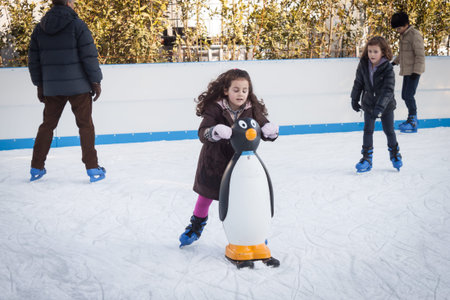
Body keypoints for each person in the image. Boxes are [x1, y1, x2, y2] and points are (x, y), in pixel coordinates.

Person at [179, 69, 279, 247]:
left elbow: (262, 126)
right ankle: (196, 226)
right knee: (205, 197)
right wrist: (215, 130)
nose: (241, 94)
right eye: (236, 89)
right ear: (226, 90)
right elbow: (203, 133)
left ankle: (254, 232)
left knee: (246, 200)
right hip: (214, 162)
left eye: (244, 90)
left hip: (241, 164)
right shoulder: (215, 107)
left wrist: (270, 132)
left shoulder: (251, 108)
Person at [28, 0, 106, 182]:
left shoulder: (40, 28)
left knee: (47, 125)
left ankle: (36, 167)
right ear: (69, 3)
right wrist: (96, 81)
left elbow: (34, 60)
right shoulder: (77, 25)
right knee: (85, 125)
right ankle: (92, 168)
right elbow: (89, 55)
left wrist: (40, 85)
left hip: (52, 87)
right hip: (79, 87)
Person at [351, 36, 403, 173]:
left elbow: (388, 90)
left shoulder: (387, 68)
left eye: (375, 51)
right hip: (368, 103)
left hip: (386, 105)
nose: (372, 54)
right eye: (369, 51)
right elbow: (358, 83)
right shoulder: (363, 64)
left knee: (389, 130)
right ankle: (366, 158)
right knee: (368, 130)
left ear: (383, 52)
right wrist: (354, 99)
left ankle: (395, 154)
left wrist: (380, 108)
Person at [390, 12, 425, 133]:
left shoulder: (414, 35)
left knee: (409, 95)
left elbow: (420, 55)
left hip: (414, 72)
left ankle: (413, 120)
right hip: (407, 71)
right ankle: (411, 118)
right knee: (404, 95)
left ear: (406, 24)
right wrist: (394, 63)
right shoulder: (404, 35)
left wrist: (416, 72)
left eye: (399, 28)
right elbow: (403, 53)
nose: (398, 31)